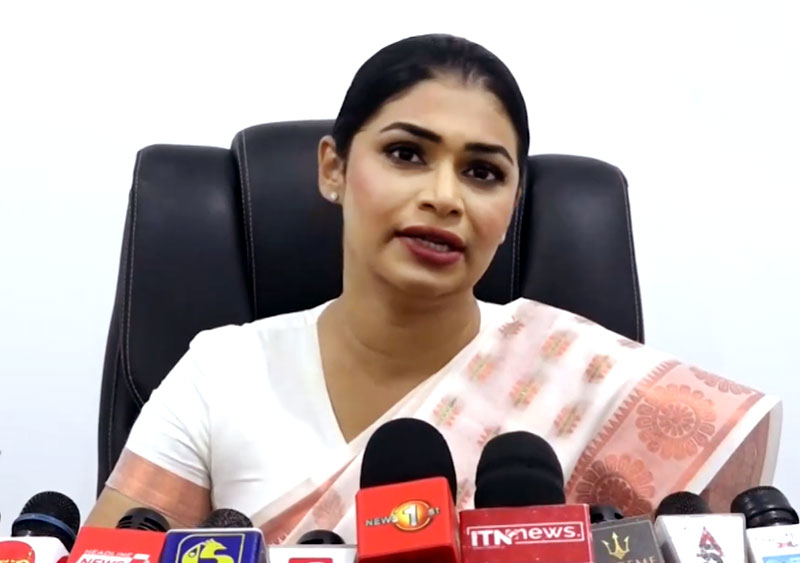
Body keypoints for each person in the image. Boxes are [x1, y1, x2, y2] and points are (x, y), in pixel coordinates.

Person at [86, 34, 781, 541]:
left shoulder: (587, 376)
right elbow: (112, 552)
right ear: (333, 168)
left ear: (512, 205)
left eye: (483, 173)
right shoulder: (223, 372)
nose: (445, 196)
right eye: (406, 153)